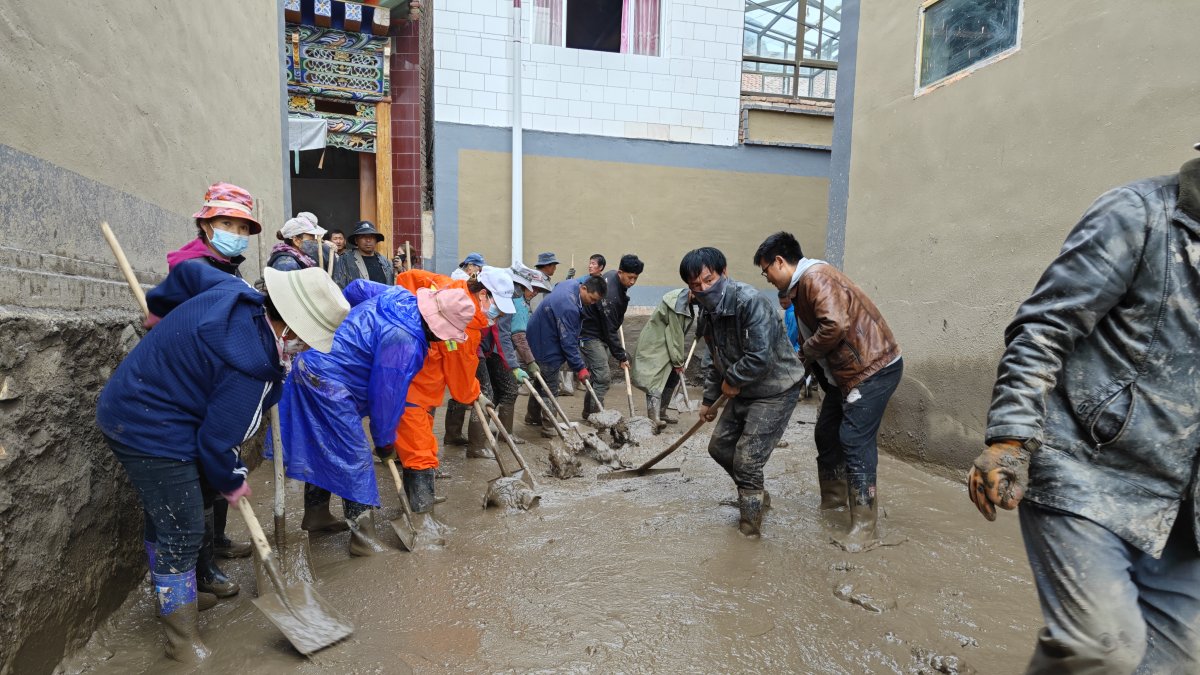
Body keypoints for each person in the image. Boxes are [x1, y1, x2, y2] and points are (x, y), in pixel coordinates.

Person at [968, 148, 1200, 673]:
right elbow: (1044, 328)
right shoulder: (1138, 216)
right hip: (1087, 471)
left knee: (1176, 666)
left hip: (1184, 514)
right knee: (1101, 647)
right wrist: (1010, 439)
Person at [96, 265, 349, 663]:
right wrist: (233, 482)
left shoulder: (235, 290)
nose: (304, 348)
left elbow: (190, 273)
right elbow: (217, 445)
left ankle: (178, 591)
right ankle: (181, 639)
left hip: (149, 399)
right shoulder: (252, 369)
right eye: (305, 340)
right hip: (148, 428)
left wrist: (159, 307)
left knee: (174, 510)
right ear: (290, 330)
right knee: (181, 528)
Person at [280, 279, 477, 555]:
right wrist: (384, 443)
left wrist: (346, 326)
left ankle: (316, 514)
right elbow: (386, 398)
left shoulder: (399, 296)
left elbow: (357, 287)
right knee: (355, 456)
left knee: (321, 445)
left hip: (312, 363)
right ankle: (363, 539)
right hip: (330, 384)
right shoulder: (406, 342)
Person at [756, 232, 902, 549]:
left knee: (853, 439)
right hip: (844, 376)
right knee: (826, 433)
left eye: (766, 270)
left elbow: (834, 326)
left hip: (871, 370)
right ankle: (834, 504)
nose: (766, 278)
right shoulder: (801, 287)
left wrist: (805, 353)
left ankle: (864, 527)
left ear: (779, 261)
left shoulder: (815, 277)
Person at [157, 184, 265, 567]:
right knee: (203, 475)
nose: (235, 234)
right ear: (205, 226)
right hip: (194, 388)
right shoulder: (191, 270)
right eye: (226, 224)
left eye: (242, 228)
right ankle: (204, 567)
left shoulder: (227, 266)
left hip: (220, 385)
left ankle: (217, 541)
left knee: (220, 465)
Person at [684, 247, 804, 536]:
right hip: (743, 388)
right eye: (696, 285)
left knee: (748, 460)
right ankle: (756, 495)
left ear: (724, 272)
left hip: (775, 388)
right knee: (719, 447)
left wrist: (734, 378)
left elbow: (760, 357)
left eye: (709, 280)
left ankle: (749, 532)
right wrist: (709, 400)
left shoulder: (750, 302)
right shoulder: (707, 313)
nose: (704, 289)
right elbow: (715, 358)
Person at [392, 269, 493, 522]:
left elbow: (406, 276)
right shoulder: (466, 327)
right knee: (420, 451)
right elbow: (461, 386)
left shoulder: (448, 285)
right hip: (414, 388)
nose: (497, 314)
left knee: (420, 443)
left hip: (418, 384)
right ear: (483, 295)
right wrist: (475, 394)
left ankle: (417, 497)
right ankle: (421, 517)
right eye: (496, 306)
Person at [524, 275, 607, 437]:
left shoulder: (572, 284)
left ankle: (532, 416)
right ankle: (549, 426)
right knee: (550, 385)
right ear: (584, 288)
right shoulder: (568, 306)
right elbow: (568, 341)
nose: (592, 303)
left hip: (540, 332)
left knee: (541, 379)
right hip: (545, 343)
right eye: (592, 298)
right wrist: (580, 367)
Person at [580, 254, 643, 418]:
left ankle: (588, 412)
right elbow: (609, 331)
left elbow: (610, 327)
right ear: (620, 272)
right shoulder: (611, 296)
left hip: (601, 333)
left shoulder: (613, 276)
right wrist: (621, 356)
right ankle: (595, 415)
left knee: (596, 377)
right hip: (591, 335)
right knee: (602, 378)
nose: (632, 282)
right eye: (630, 277)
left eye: (635, 278)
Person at [631, 288, 695, 432]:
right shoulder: (676, 304)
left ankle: (661, 412)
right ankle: (653, 418)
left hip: (667, 345)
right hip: (655, 344)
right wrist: (678, 361)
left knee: (672, 377)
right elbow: (675, 335)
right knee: (655, 380)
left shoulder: (687, 302)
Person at [333, 221, 394, 288]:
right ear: (356, 240)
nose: (368, 240)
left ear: (376, 240)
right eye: (363, 237)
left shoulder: (385, 262)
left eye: (372, 237)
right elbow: (339, 287)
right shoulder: (345, 260)